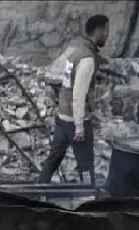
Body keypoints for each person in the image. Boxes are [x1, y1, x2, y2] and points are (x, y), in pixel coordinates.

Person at [39, 15, 109, 185]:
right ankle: (89, 196)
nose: (107, 35)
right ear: (98, 31)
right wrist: (79, 126)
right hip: (75, 121)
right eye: (106, 30)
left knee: (53, 159)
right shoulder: (87, 59)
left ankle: (38, 190)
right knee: (86, 165)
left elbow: (69, 87)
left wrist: (93, 111)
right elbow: (78, 93)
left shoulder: (76, 52)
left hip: (62, 118)